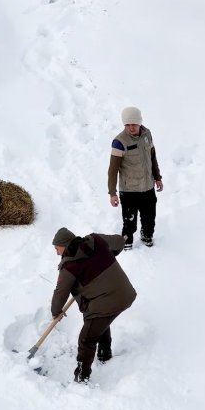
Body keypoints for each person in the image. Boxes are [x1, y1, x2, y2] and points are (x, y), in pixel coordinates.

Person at [50, 227, 137, 383]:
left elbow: (60, 293)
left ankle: (82, 377)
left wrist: (56, 311)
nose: (56, 252)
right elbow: (118, 242)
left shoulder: (69, 266)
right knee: (100, 319)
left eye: (57, 248)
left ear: (64, 244)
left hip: (107, 301)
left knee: (86, 339)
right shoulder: (96, 240)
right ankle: (104, 355)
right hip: (125, 294)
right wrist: (106, 255)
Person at [108, 106, 164, 249]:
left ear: (139, 122)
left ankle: (147, 236)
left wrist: (157, 177)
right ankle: (127, 242)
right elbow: (112, 170)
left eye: (133, 124)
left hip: (147, 186)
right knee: (129, 221)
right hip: (129, 190)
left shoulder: (147, 135)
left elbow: (152, 157)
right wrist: (112, 193)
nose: (131, 128)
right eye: (127, 124)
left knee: (149, 218)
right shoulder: (119, 142)